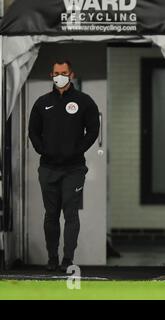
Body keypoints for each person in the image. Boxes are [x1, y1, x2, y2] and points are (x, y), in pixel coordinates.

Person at [28, 60, 100, 272]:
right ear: (51, 75)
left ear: (71, 74)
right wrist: (43, 150)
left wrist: (77, 150)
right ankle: (52, 258)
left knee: (70, 214)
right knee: (51, 215)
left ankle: (67, 260)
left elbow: (93, 130)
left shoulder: (84, 101)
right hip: (48, 168)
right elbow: (33, 131)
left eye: (64, 73)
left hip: (74, 169)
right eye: (56, 73)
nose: (60, 76)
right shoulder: (42, 103)